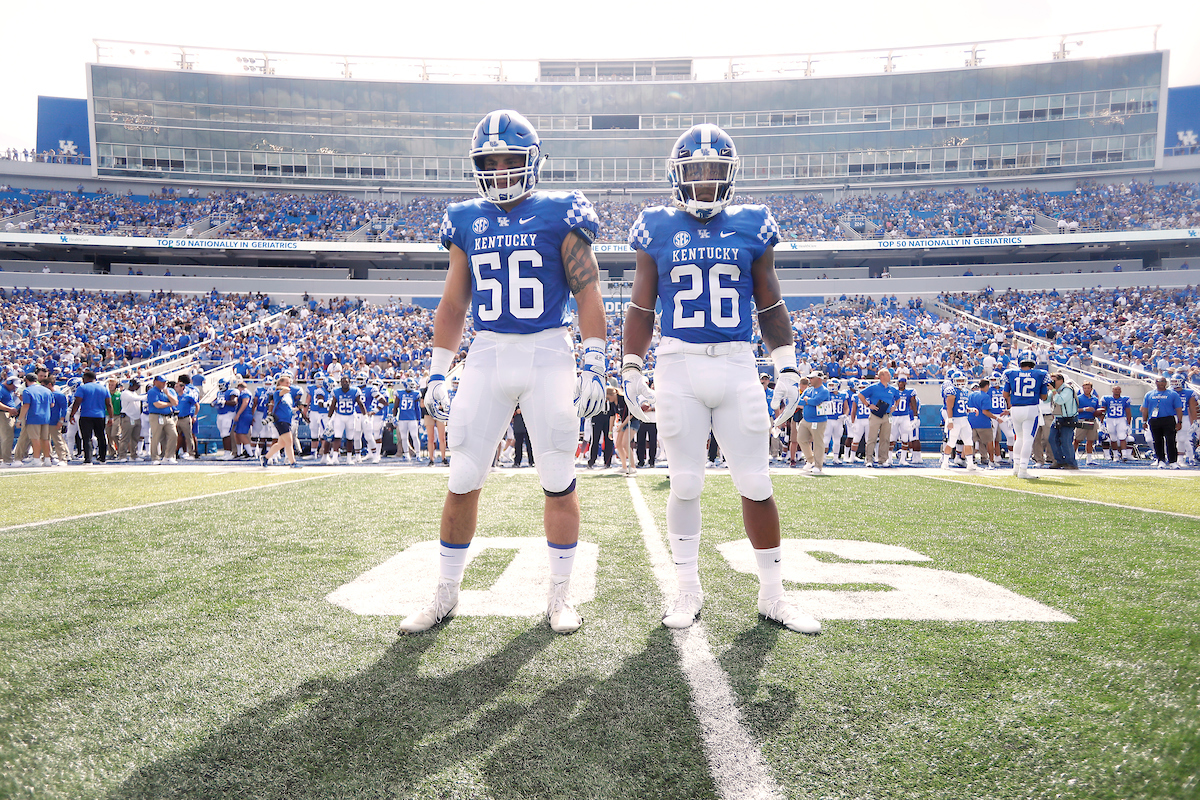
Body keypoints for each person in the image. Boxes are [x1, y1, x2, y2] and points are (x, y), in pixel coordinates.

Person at [399, 110, 607, 636]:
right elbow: (453, 301)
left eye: (509, 160)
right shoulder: (467, 218)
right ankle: (445, 593)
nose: (499, 170)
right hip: (488, 351)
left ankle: (559, 598)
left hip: (548, 350)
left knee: (558, 476)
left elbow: (587, 289)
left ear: (531, 160)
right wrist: (437, 372)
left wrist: (596, 358)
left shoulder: (562, 211)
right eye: (489, 161)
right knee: (463, 475)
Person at [621, 123, 819, 634]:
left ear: (731, 175)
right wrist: (631, 365)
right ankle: (687, 589)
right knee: (685, 482)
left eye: (714, 172)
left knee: (755, 481)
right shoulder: (656, 226)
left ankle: (773, 595)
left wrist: (787, 365)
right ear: (677, 175)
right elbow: (642, 305)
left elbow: (770, 302)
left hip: (735, 362)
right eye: (696, 172)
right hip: (678, 362)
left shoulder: (753, 224)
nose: (705, 182)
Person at [1002, 350, 1049, 479]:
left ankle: (1016, 469)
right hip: (1030, 409)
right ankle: (1023, 470)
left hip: (1015, 409)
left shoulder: (1011, 373)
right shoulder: (1040, 374)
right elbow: (1044, 397)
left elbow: (1005, 395)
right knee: (1028, 440)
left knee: (1020, 438)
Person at [69, 371, 113, 464]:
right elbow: (109, 404)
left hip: (86, 415)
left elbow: (77, 402)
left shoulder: (82, 388)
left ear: (86, 378)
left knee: (87, 437)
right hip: (100, 415)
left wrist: (72, 415)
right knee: (101, 436)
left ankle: (88, 459)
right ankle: (102, 458)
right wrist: (111, 418)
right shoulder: (103, 388)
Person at [857, 369, 898, 467]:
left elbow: (898, 397)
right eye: (888, 374)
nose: (890, 376)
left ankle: (883, 459)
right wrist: (868, 405)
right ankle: (869, 459)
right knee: (872, 438)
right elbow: (860, 395)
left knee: (885, 438)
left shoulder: (892, 389)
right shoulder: (873, 387)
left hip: (887, 415)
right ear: (882, 376)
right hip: (875, 415)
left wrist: (895, 406)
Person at [1141, 375, 1183, 469]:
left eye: (1163, 381)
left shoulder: (1172, 394)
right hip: (1154, 420)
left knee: (1170, 440)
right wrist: (1144, 421)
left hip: (1168, 419)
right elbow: (1145, 409)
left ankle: (1173, 461)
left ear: (1165, 383)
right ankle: (1161, 460)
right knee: (1157, 441)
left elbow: (1178, 408)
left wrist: (1179, 421)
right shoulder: (1149, 394)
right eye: (1159, 381)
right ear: (1156, 383)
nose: (1161, 383)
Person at [941, 371, 978, 472]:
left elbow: (962, 407)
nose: (961, 382)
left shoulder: (965, 391)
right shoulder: (951, 390)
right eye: (959, 380)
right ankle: (945, 462)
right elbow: (949, 407)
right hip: (955, 420)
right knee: (952, 442)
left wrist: (971, 410)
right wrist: (950, 420)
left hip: (964, 419)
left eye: (962, 380)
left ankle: (970, 464)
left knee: (968, 441)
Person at [262, 374, 301, 469]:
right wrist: (279, 386)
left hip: (287, 420)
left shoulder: (288, 396)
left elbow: (286, 407)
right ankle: (293, 462)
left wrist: (296, 409)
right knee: (289, 441)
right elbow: (287, 389)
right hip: (280, 420)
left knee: (281, 443)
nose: (289, 384)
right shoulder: (278, 392)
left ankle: (266, 457)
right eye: (286, 382)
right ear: (281, 383)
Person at [796, 372, 831, 474]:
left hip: (818, 420)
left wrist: (808, 400)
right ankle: (810, 460)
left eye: (812, 378)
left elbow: (816, 401)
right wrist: (808, 401)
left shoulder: (824, 391)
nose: (810, 380)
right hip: (806, 419)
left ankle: (818, 465)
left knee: (818, 443)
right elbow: (800, 401)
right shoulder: (809, 389)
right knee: (801, 439)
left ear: (818, 379)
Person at [18, 374, 53, 467]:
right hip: (46, 417)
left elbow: (26, 405)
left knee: (35, 439)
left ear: (26, 380)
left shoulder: (27, 390)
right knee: (45, 439)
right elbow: (52, 404)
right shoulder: (47, 390)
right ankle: (47, 459)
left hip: (33, 417)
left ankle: (36, 460)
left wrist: (19, 419)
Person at [1047, 373, 1080, 470]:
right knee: (1052, 439)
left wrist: (1053, 391)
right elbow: (1045, 400)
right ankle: (1059, 461)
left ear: (1061, 381)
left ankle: (1071, 463)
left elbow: (1060, 400)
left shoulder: (1067, 389)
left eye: (1054, 381)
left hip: (1069, 418)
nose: (1052, 383)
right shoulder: (1054, 390)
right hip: (1057, 418)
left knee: (1066, 441)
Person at [146, 375, 179, 465]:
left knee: (174, 435)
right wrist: (169, 404)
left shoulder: (169, 391)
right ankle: (155, 457)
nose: (163, 383)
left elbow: (175, 402)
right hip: (156, 416)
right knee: (156, 437)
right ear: (155, 382)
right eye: (161, 381)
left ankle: (168, 456)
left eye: (164, 381)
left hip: (168, 416)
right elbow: (157, 404)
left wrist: (167, 394)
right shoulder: (152, 391)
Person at [1099, 384, 1133, 462]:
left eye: (1118, 389)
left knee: (1122, 436)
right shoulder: (1106, 399)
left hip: (1120, 419)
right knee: (1113, 438)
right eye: (1115, 389)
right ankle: (1115, 455)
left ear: (1121, 391)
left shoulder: (1125, 399)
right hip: (1110, 419)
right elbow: (1103, 411)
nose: (1117, 391)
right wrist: (1101, 422)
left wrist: (1128, 424)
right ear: (1112, 390)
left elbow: (1128, 413)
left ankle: (1124, 455)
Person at [1170, 372, 1198, 466]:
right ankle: (1169, 458)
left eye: (1176, 381)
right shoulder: (1169, 391)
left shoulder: (1189, 392)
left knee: (1183, 439)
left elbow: (1193, 408)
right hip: (1170, 416)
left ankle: (1185, 458)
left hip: (1184, 416)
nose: (1174, 383)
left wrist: (1194, 421)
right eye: (1173, 381)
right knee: (1171, 438)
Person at [1074, 381, 1101, 465]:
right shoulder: (1078, 398)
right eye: (1085, 388)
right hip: (1082, 420)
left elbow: (1098, 410)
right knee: (1077, 440)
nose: (1086, 390)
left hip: (1092, 420)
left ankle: (1089, 459)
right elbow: (1074, 410)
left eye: (1088, 388)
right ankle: (1072, 457)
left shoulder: (1095, 399)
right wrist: (1085, 409)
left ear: (1091, 389)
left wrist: (1099, 413)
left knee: (1090, 440)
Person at [0, 373, 20, 466]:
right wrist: (9, 409)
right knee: (7, 437)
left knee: (5, 437)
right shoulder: (1, 389)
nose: (14, 388)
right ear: (8, 382)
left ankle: (3, 458)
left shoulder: (6, 390)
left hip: (6, 414)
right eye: (13, 386)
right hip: (3, 414)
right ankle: (7, 460)